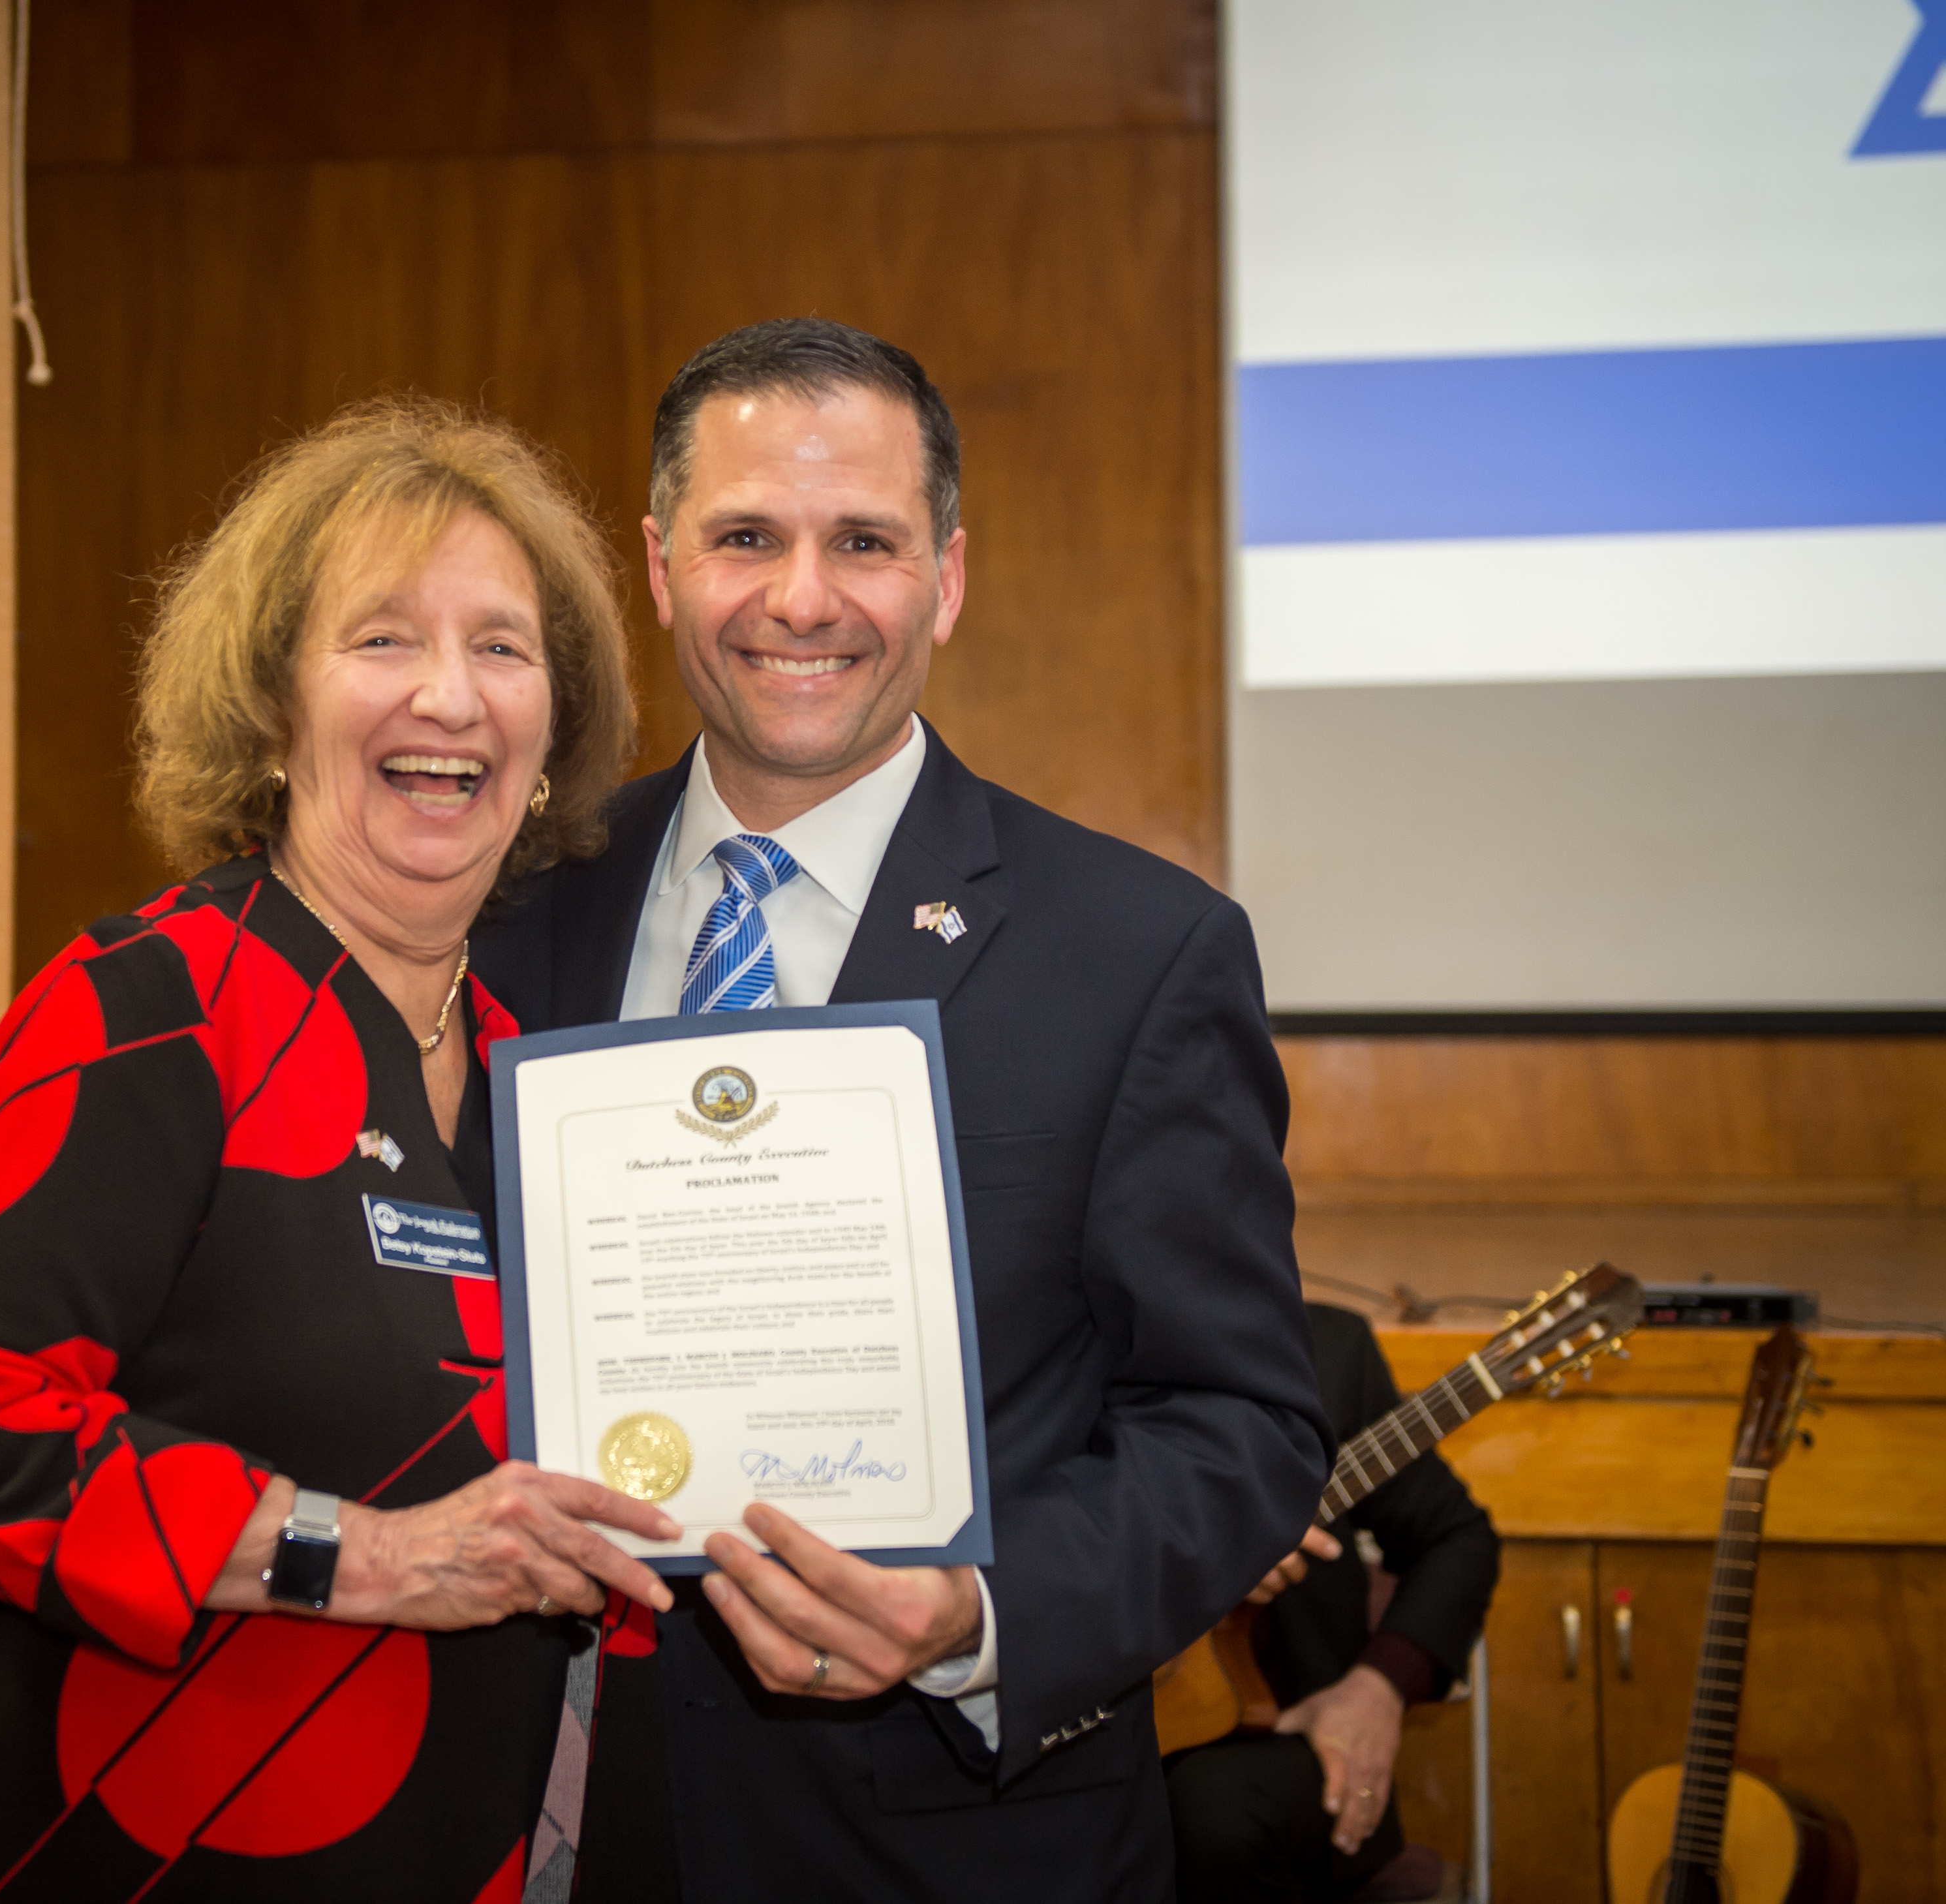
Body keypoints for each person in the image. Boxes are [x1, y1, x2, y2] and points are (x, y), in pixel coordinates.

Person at [0, 397, 678, 1904]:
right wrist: (368, 1556)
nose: (450, 694)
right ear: (270, 710)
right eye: (382, 637)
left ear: (550, 733)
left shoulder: (544, 1086)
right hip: (82, 1844)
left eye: (501, 647)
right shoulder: (150, 1006)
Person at [471, 317, 1333, 1899]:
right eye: (746, 537)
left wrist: (974, 1615)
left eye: (861, 541)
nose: (802, 598)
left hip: (944, 1851)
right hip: (548, 1826)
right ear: (659, 566)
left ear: (943, 577)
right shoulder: (512, 906)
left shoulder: (1137, 951)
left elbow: (1238, 1426)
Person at [1166, 1304, 1502, 1901]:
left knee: (1209, 1812)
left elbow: (1456, 1539)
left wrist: (1378, 1688)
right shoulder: (1064, 1348)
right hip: (1098, 1734)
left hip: (1279, 1749)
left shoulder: (1327, 1349)